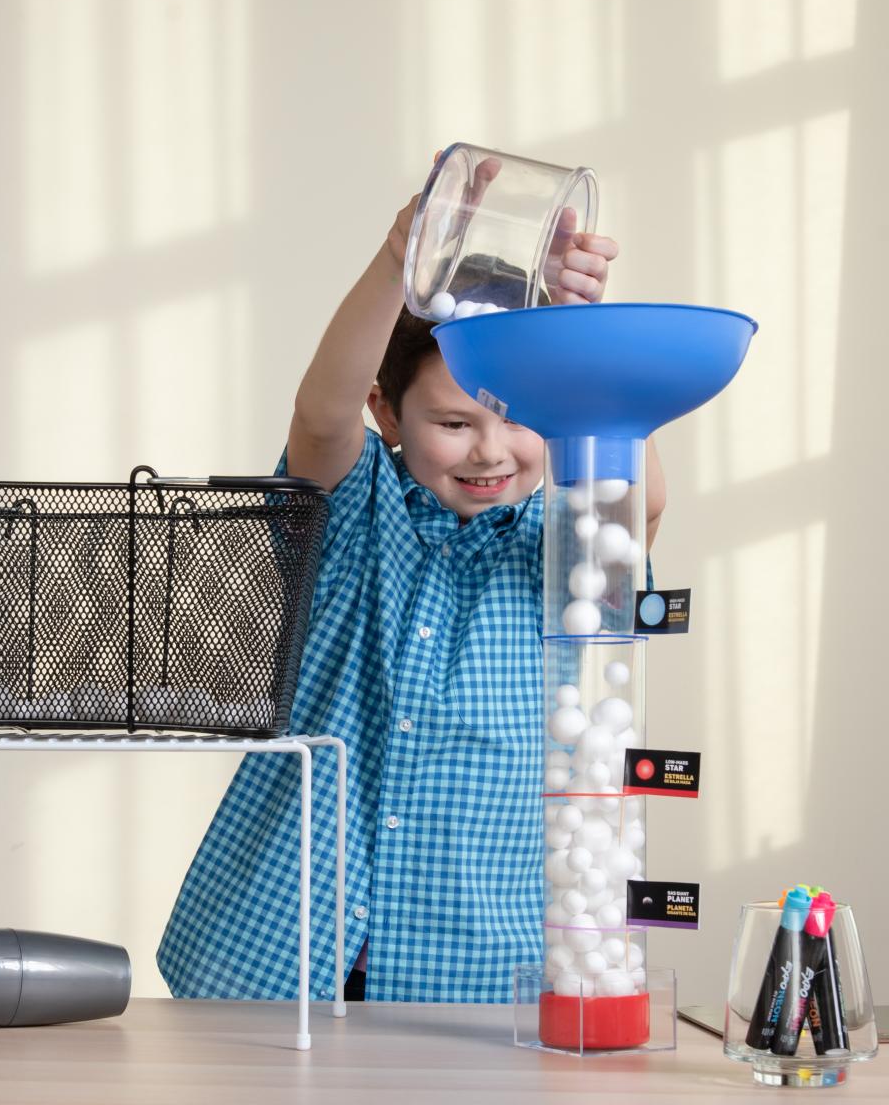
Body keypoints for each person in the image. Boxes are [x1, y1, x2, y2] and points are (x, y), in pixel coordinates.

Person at [157, 178, 663, 1003]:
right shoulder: (356, 515)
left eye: (519, 418)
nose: (490, 451)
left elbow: (642, 493)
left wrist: (581, 334)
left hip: (473, 977)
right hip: (279, 958)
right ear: (387, 414)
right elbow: (320, 419)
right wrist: (402, 257)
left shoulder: (566, 550)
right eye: (454, 423)